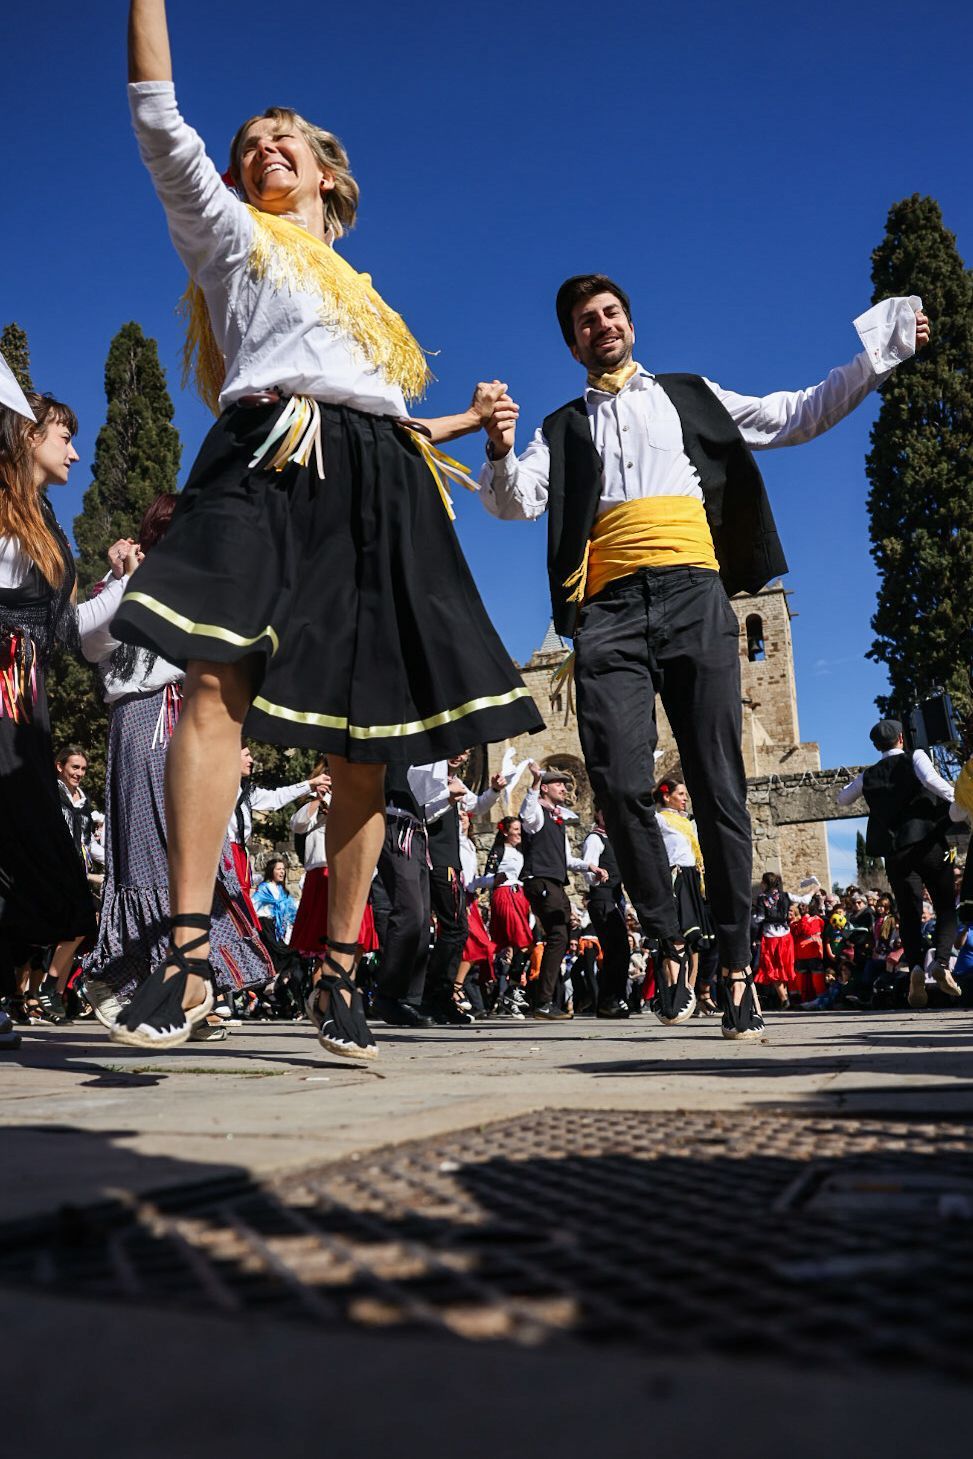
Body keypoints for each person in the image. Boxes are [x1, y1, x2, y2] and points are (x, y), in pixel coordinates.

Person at [109, 0, 543, 1059]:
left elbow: (378, 411)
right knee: (213, 681)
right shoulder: (226, 234)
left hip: (378, 474)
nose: (261, 149)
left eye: (281, 140)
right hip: (266, 454)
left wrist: (466, 424)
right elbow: (161, 119)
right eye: (249, 142)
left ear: (327, 177)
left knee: (370, 732)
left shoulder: (362, 297)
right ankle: (188, 958)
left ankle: (340, 974)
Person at [478, 272, 929, 1040]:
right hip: (609, 611)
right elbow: (516, 499)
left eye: (610, 312)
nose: (601, 326)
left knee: (719, 784)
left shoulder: (686, 394)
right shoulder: (560, 427)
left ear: (629, 321)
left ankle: (733, 966)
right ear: (572, 341)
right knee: (617, 780)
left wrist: (877, 359)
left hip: (693, 593)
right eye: (585, 321)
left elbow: (794, 414)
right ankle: (667, 931)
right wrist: (495, 446)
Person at [0, 386, 134, 1048]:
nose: (77, 452)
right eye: (63, 437)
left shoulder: (46, 525)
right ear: (28, 436)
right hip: (3, 691)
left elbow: (70, 632)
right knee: (26, 846)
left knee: (33, 853)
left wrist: (128, 588)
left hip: (25, 702)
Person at [838, 719, 963, 1009]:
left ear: (876, 746)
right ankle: (941, 962)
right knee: (945, 906)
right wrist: (959, 799)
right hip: (927, 842)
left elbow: (842, 799)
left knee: (908, 913)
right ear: (901, 740)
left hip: (895, 853)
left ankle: (917, 967)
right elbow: (932, 781)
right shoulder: (915, 757)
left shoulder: (868, 776)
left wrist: (863, 786)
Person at [519, 764, 607, 1019]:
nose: (564, 787)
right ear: (544, 788)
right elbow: (525, 815)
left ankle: (544, 1001)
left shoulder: (558, 820)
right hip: (541, 880)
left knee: (559, 936)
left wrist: (590, 865)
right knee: (559, 934)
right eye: (558, 783)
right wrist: (534, 782)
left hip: (553, 882)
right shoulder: (536, 815)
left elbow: (567, 859)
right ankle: (543, 1001)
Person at [653, 778, 718, 1022]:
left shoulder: (687, 822)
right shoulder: (659, 820)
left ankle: (690, 989)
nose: (685, 797)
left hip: (693, 877)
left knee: (695, 938)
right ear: (666, 796)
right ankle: (674, 987)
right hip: (674, 876)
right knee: (676, 935)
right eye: (680, 793)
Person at [481, 815, 533, 1017]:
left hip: (520, 895)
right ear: (505, 832)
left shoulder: (520, 852)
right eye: (516, 830)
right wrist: (496, 878)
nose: (519, 834)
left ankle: (508, 992)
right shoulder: (499, 850)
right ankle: (510, 989)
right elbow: (488, 874)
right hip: (505, 894)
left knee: (519, 942)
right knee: (521, 940)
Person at [581, 808, 631, 1018]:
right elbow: (587, 869)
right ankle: (608, 1001)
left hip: (613, 898)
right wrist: (597, 880)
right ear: (599, 814)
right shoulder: (595, 839)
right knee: (615, 949)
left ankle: (613, 999)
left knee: (620, 950)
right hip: (602, 898)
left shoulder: (613, 839)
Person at [753, 872, 794, 1009]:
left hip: (770, 937)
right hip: (786, 936)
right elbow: (805, 899)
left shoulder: (762, 897)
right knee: (783, 967)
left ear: (765, 883)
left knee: (772, 967)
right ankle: (785, 997)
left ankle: (784, 999)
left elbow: (759, 918)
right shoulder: (785, 895)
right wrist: (814, 888)